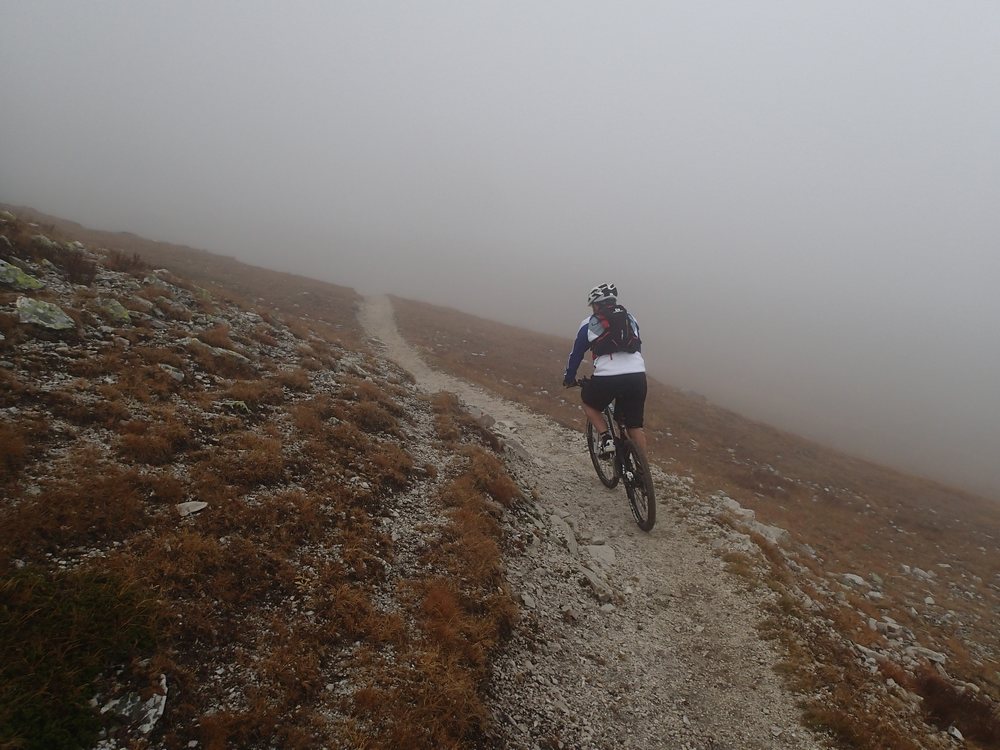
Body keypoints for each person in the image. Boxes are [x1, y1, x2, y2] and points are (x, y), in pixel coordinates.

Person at [562, 282, 648, 458]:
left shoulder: (589, 323)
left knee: (589, 403)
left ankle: (606, 438)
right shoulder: (630, 318)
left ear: (596, 305)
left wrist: (569, 377)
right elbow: (636, 345)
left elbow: (576, 354)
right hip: (637, 375)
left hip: (608, 377)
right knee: (634, 426)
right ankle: (642, 471)